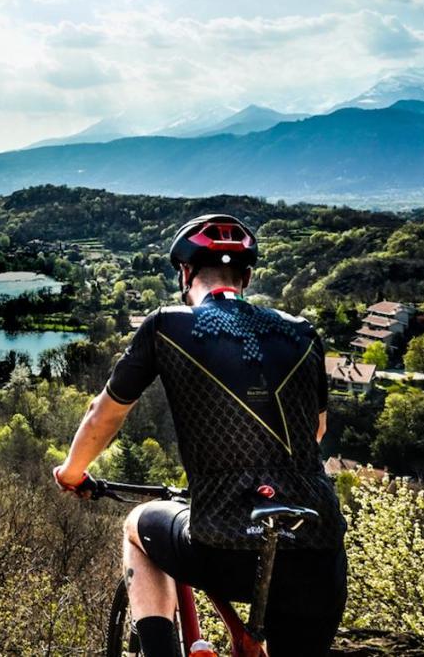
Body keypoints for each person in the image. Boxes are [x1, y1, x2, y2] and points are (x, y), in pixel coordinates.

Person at [54, 215, 346, 657]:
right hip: (319, 551)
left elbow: (104, 416)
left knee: (137, 527)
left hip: (224, 546)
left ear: (184, 273)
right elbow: (316, 430)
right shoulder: (302, 332)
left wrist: (72, 472)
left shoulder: (166, 326)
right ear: (246, 276)